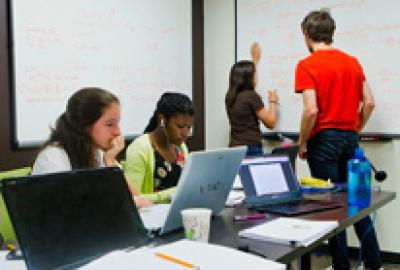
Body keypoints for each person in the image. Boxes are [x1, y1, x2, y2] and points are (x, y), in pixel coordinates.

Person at [295, 10, 380, 270]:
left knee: (331, 208)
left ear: (307, 35)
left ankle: (341, 266)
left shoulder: (306, 65)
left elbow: (311, 110)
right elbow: (369, 103)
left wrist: (302, 141)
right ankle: (374, 263)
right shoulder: (352, 62)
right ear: (331, 33)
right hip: (350, 140)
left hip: (324, 141)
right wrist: (353, 128)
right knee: (357, 201)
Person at [32, 87, 151, 208]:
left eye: (118, 123)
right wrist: (122, 203)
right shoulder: (53, 157)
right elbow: (68, 210)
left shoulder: (99, 153)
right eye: (110, 124)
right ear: (84, 126)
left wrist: (110, 162)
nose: (118, 132)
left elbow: (136, 197)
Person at [125, 92, 194, 203]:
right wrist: (173, 193)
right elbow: (132, 200)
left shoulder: (181, 148)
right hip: (149, 216)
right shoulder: (139, 148)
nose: (186, 133)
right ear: (162, 120)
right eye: (180, 126)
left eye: (189, 127)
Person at [225, 43, 279, 156]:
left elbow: (245, 74)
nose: (257, 76)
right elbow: (271, 123)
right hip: (251, 148)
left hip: (234, 148)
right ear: (249, 78)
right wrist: (273, 102)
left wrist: (255, 60)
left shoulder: (231, 96)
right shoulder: (251, 96)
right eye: (255, 74)